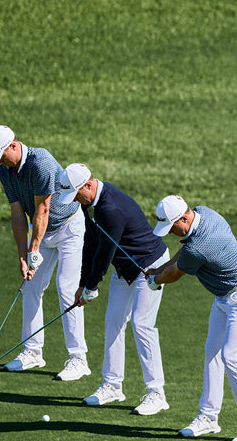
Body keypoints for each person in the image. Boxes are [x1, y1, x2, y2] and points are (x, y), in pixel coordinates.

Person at [151, 194, 237, 441]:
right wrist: (159, 270)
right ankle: (208, 416)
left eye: (172, 226)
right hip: (224, 297)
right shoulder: (205, 212)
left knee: (233, 357)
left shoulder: (201, 246)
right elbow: (181, 253)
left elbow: (175, 272)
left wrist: (155, 279)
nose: (170, 232)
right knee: (212, 353)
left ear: (184, 217)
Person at [57, 164, 170, 416]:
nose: (75, 199)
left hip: (149, 267)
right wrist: (83, 283)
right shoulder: (90, 203)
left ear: (88, 184)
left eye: (76, 193)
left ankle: (156, 393)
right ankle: (112, 385)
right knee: (113, 321)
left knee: (142, 324)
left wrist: (92, 286)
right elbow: (90, 242)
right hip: (125, 269)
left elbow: (104, 253)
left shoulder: (110, 208)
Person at [0, 124, 88, 380]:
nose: (2, 162)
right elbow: (18, 215)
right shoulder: (6, 172)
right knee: (30, 287)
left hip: (68, 228)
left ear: (14, 145)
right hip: (43, 232)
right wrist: (22, 255)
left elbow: (43, 210)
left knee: (66, 288)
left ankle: (79, 359)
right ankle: (32, 352)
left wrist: (34, 250)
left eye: (2, 155)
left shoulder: (41, 162)